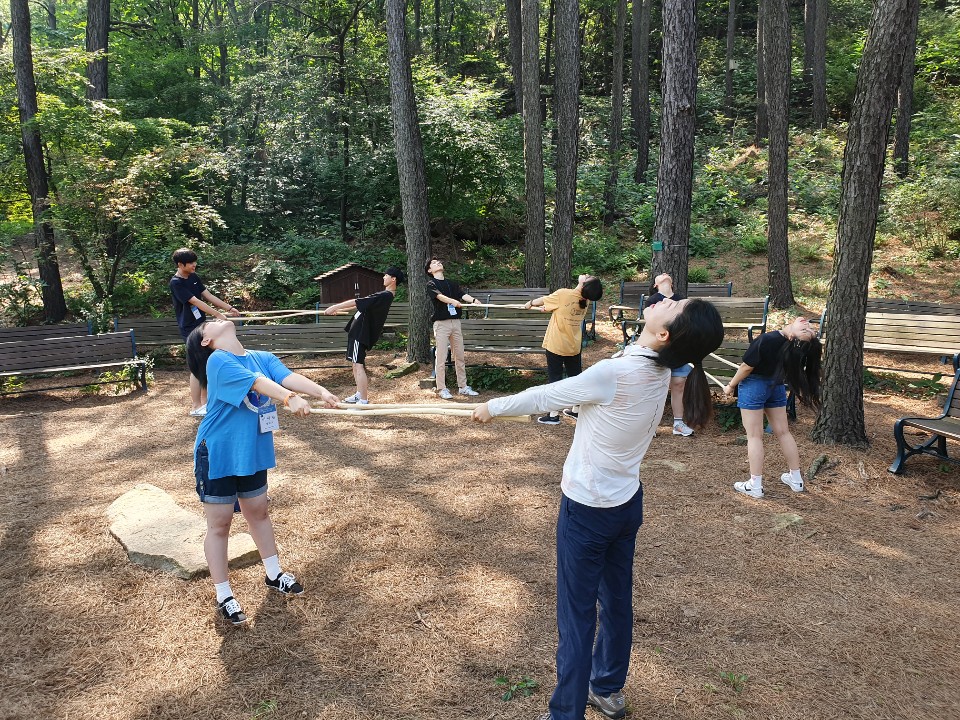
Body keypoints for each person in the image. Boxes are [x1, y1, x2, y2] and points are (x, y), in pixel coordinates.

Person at [472, 298, 724, 720]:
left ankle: (565, 713)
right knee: (617, 600)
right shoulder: (662, 366)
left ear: (665, 334)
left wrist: (491, 407)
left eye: (676, 304)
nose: (669, 297)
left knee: (576, 615)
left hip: (587, 510)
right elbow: (635, 353)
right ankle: (606, 687)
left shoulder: (616, 373)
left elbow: (545, 395)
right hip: (625, 504)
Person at [186, 318, 339, 625]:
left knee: (258, 512)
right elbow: (257, 384)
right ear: (206, 341)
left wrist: (321, 391)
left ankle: (273, 574)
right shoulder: (218, 360)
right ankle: (224, 594)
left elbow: (288, 377)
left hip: (251, 451)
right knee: (220, 524)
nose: (218, 318)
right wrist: (289, 398)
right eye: (210, 322)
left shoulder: (261, 357)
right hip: (218, 452)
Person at [722, 316, 822, 498]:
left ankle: (755, 484)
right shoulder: (789, 347)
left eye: (806, 331)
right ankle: (796, 478)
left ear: (792, 337)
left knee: (754, 436)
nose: (807, 325)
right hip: (775, 386)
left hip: (754, 385)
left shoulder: (768, 339)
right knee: (783, 432)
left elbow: (746, 367)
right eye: (807, 327)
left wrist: (730, 385)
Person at [523, 275, 604, 425]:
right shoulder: (585, 301)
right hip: (573, 345)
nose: (585, 274)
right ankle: (576, 410)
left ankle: (553, 415)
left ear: (584, 283)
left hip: (557, 344)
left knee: (555, 379)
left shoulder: (563, 294)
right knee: (576, 378)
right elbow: (554, 306)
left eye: (587, 276)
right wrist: (547, 308)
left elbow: (544, 300)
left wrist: (530, 303)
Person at [169, 248, 241, 417]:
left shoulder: (193, 277)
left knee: (207, 364)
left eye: (195, 261)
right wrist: (217, 314)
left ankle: (206, 403)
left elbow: (207, 295)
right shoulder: (176, 283)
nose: (194, 265)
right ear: (180, 264)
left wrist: (229, 308)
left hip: (202, 326)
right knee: (197, 366)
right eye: (191, 262)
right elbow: (194, 301)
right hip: (189, 328)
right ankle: (196, 406)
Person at [323, 267, 405, 404]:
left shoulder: (385, 295)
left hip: (361, 332)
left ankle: (363, 399)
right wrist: (338, 309)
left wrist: (335, 307)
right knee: (355, 365)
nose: (383, 277)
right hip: (358, 330)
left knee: (358, 365)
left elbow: (357, 301)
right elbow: (361, 304)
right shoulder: (383, 295)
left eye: (386, 275)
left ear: (393, 279)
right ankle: (359, 394)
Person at [644, 273, 695, 437]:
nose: (665, 275)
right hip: (660, 349)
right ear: (655, 285)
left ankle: (678, 423)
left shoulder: (681, 299)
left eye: (667, 275)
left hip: (678, 348)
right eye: (660, 276)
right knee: (655, 387)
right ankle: (649, 425)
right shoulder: (652, 301)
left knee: (678, 384)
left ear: (672, 283)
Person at [425, 258, 482, 400]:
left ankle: (463, 387)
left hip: (456, 322)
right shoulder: (431, 284)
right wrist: (453, 302)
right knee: (441, 356)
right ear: (429, 270)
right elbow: (440, 297)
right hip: (441, 324)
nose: (438, 263)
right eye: (434, 263)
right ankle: (442, 388)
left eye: (439, 261)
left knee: (460, 356)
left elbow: (462, 295)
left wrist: (474, 301)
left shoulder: (452, 283)